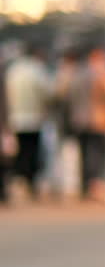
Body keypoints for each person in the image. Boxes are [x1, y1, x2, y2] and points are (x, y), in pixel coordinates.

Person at [4, 42, 52, 200]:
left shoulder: (13, 70)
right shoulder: (37, 70)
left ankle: (19, 180)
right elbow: (46, 93)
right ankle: (29, 181)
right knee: (32, 151)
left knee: (20, 151)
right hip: (34, 118)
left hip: (15, 118)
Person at [70, 47, 105, 201]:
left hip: (79, 120)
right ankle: (94, 185)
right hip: (98, 120)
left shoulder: (76, 74)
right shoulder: (101, 74)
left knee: (84, 154)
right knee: (97, 154)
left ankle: (84, 185)